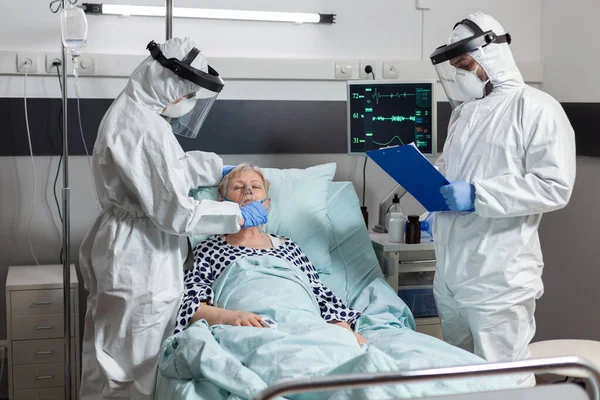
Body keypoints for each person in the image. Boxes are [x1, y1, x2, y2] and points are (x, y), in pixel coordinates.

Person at [78, 38, 269, 399]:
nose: (189, 103)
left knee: (115, 355)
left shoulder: (142, 114)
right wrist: (237, 215)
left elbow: (171, 168)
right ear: (170, 83)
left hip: (138, 247)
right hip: (139, 259)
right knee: (130, 365)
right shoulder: (141, 128)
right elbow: (177, 213)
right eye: (189, 94)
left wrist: (217, 169)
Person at [428, 12, 576, 385]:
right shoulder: (464, 116)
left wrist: (479, 194)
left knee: (503, 380)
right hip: (451, 274)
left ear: (491, 55)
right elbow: (447, 174)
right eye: (456, 66)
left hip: (499, 275)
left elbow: (554, 185)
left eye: (465, 64)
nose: (460, 74)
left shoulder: (536, 107)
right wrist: (433, 202)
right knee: (457, 376)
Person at [175, 164, 367, 346]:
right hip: (248, 327)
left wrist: (343, 328)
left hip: (304, 322)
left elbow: (319, 294)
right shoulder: (209, 249)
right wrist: (230, 317)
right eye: (238, 187)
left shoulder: (289, 246)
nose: (248, 190)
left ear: (267, 204)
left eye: (256, 186)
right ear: (222, 204)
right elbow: (191, 306)